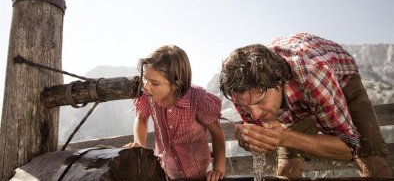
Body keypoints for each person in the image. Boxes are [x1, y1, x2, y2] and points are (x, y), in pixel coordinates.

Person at [219, 33, 392, 178]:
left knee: (373, 162)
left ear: (279, 79)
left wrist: (285, 137)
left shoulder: (313, 72)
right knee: (287, 168)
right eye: (246, 107)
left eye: (260, 102)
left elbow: (350, 147)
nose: (254, 115)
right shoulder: (243, 93)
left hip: (341, 77)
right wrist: (255, 141)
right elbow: (268, 148)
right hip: (294, 91)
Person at [123, 45, 226, 181]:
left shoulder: (197, 99)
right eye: (145, 78)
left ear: (175, 85)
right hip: (166, 171)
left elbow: (216, 132)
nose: (146, 86)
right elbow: (141, 118)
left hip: (200, 171)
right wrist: (139, 143)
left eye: (154, 83)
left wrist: (218, 168)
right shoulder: (147, 95)